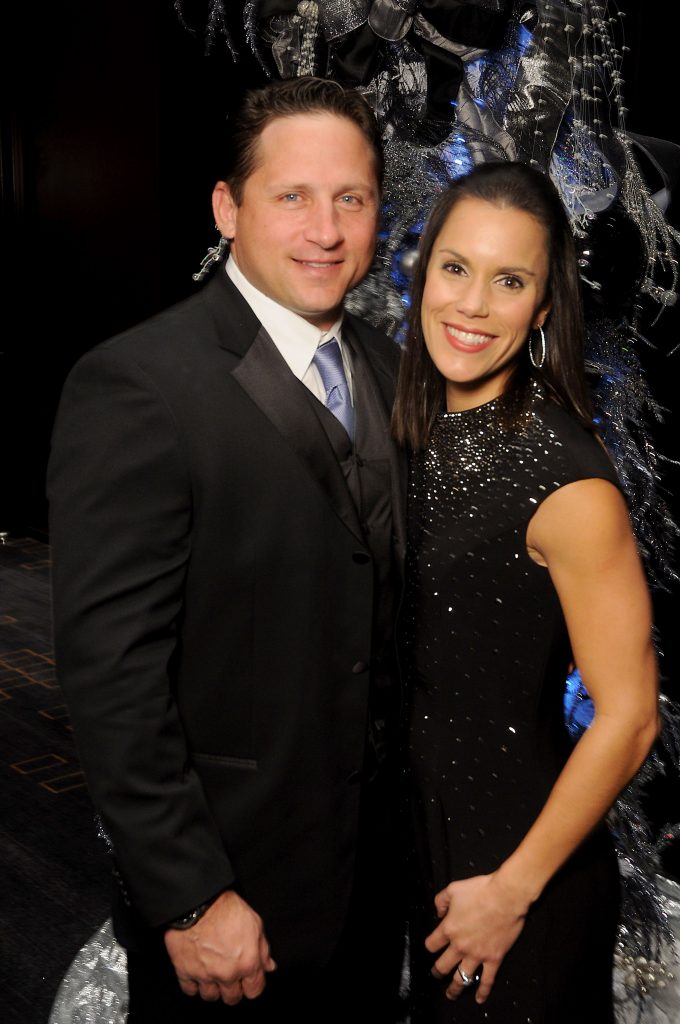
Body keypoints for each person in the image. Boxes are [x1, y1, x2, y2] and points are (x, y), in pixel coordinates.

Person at [48, 76, 406, 1023]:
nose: (324, 230)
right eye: (291, 196)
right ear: (227, 206)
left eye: (351, 199)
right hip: (231, 898)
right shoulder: (137, 384)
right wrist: (191, 893)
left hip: (374, 889)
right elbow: (110, 673)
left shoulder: (391, 370)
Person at [392, 161, 660, 1022]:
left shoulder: (569, 485)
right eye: (456, 267)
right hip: (423, 856)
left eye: (509, 281)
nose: (471, 306)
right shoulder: (409, 428)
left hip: (512, 884)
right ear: (423, 270)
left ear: (543, 308)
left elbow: (630, 716)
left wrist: (511, 891)